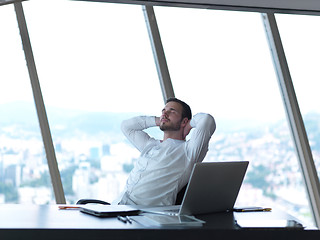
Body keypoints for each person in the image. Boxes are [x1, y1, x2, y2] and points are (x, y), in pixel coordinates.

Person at [114, 97, 216, 206]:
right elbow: (126, 126)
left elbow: (207, 120)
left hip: (144, 215)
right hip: (117, 206)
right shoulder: (150, 144)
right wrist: (159, 120)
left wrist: (189, 125)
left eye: (172, 111)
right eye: (163, 111)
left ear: (184, 121)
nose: (165, 113)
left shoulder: (188, 151)